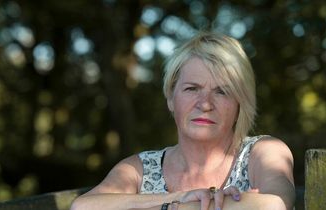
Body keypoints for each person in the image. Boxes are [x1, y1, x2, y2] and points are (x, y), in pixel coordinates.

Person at [70, 31, 295, 210]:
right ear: (170, 98)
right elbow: (83, 206)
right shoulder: (140, 168)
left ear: (240, 103)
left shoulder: (263, 153)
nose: (205, 103)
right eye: (191, 88)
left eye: (222, 92)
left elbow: (274, 205)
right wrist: (179, 199)